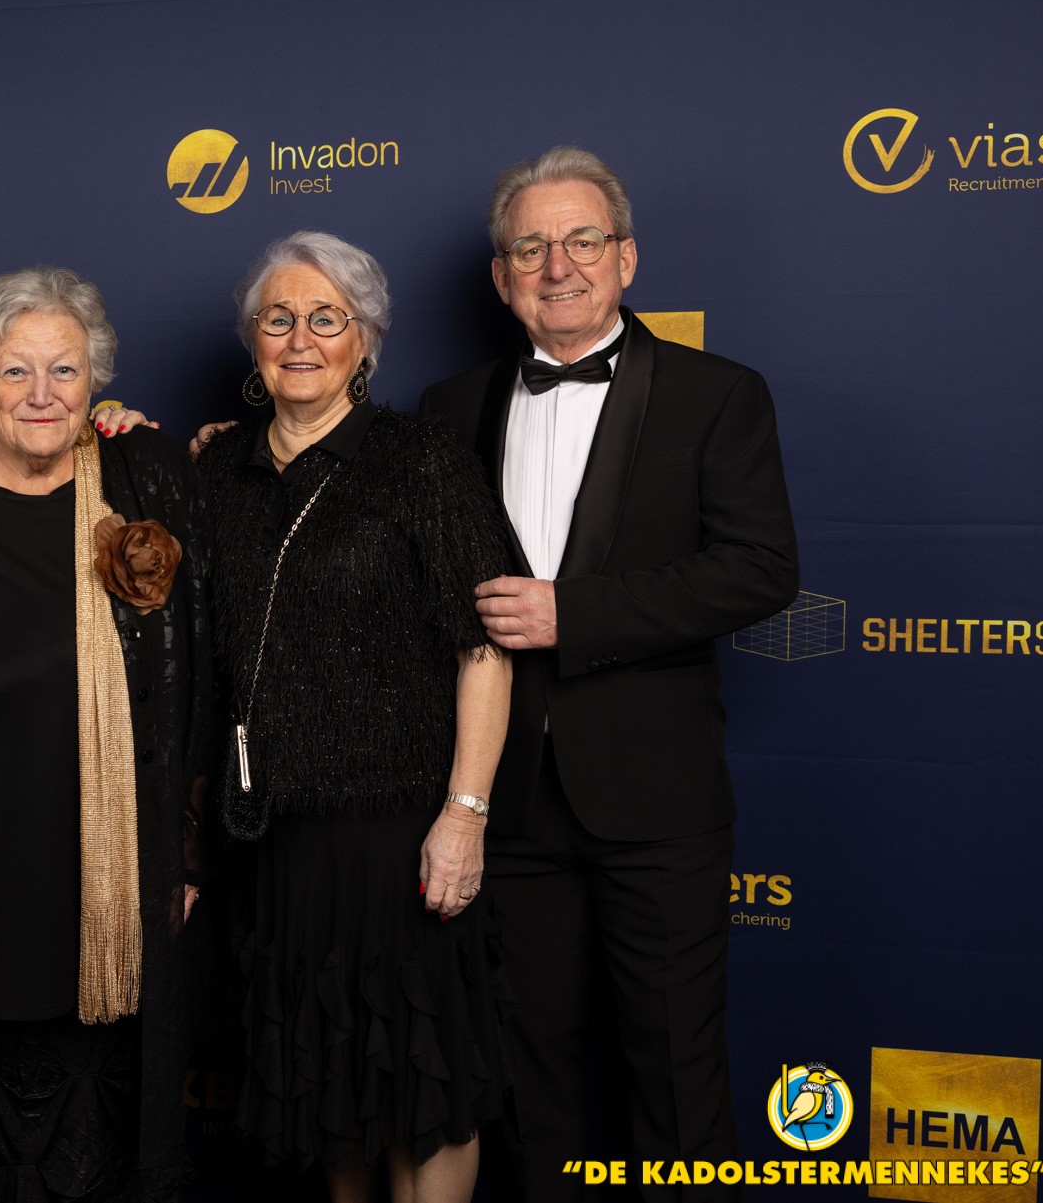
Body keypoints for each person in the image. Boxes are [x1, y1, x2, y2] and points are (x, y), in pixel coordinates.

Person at [420, 147, 800, 1201]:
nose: (559, 265)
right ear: (500, 276)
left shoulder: (718, 395)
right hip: (505, 804)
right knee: (529, 1076)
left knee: (676, 1072)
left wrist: (572, 614)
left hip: (656, 800)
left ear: (625, 259)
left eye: (582, 240)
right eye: (531, 247)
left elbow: (761, 569)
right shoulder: (448, 407)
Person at [0, 266, 214, 1202]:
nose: (42, 394)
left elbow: (201, 673)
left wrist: (186, 852)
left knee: (94, 1092)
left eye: (65, 369)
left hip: (106, 853)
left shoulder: (148, 476)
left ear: (97, 379)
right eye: (16, 370)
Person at [196, 232, 514, 1203]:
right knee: (327, 1082)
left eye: (326, 318)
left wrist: (465, 814)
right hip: (276, 845)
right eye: (279, 318)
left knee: (421, 1075)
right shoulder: (215, 473)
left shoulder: (421, 460)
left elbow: (483, 649)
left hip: (401, 838)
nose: (300, 339)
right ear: (252, 340)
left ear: (364, 339)